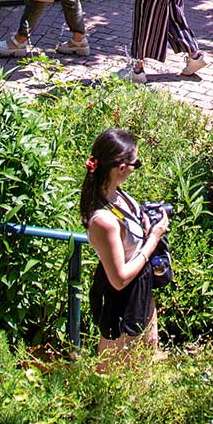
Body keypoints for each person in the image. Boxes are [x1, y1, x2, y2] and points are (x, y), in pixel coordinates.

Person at [80, 128, 171, 356]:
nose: (135, 168)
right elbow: (119, 279)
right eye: (135, 164)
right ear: (121, 168)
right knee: (117, 371)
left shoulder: (115, 194)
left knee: (146, 361)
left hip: (140, 289)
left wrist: (146, 223)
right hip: (121, 302)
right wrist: (154, 238)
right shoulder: (104, 221)